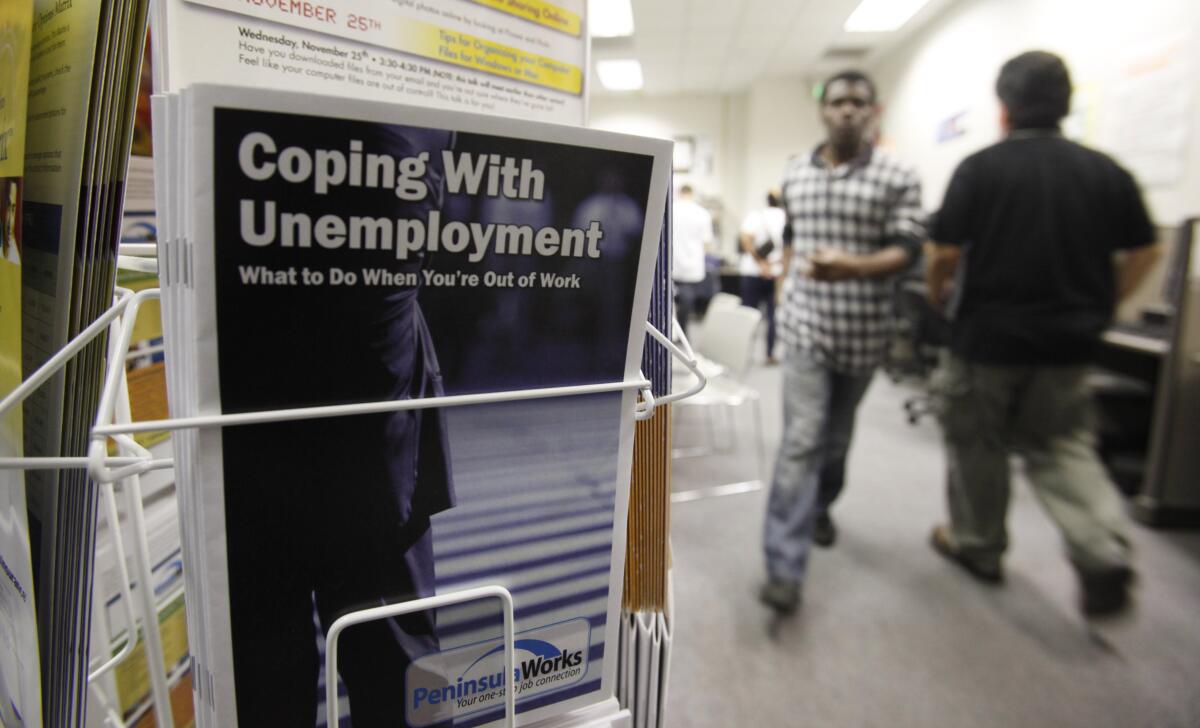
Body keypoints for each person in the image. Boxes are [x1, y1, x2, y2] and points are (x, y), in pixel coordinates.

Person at [925, 51, 1161, 617]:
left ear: (1004, 108)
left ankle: (979, 544)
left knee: (976, 442)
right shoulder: (1105, 171)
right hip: (1068, 343)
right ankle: (1101, 548)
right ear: (1067, 104)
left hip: (989, 339)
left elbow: (945, 251)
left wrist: (940, 295)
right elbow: (1146, 249)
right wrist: (1106, 303)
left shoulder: (980, 169)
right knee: (1061, 444)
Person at [760, 70, 925, 613]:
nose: (848, 111)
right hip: (806, 327)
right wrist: (783, 297)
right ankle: (784, 566)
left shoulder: (897, 174)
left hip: (864, 334)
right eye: (838, 102)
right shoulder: (795, 173)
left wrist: (851, 266)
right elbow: (790, 240)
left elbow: (908, 250)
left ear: (873, 111)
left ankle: (821, 506)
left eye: (859, 102)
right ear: (823, 111)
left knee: (835, 441)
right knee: (802, 439)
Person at [737, 188, 786, 363]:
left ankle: (745, 355)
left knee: (749, 314)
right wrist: (773, 265)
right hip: (776, 274)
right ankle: (770, 354)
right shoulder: (787, 218)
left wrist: (760, 263)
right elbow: (791, 249)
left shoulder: (756, 216)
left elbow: (745, 239)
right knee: (773, 316)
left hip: (752, 272)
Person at [671, 184, 714, 340]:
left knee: (670, 300)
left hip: (673, 263)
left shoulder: (671, 209)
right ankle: (683, 331)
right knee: (687, 298)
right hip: (692, 265)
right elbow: (707, 244)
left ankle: (675, 332)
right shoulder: (702, 213)